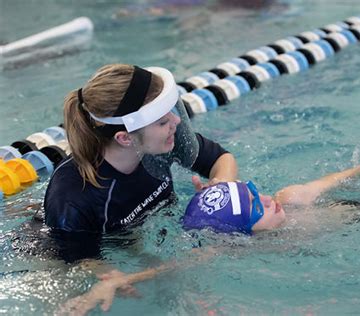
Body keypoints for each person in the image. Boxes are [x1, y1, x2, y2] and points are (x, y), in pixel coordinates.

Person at [60, 154, 360, 314]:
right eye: (255, 208)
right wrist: (116, 280)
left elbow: (342, 178)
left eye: (254, 192)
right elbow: (182, 266)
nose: (267, 200)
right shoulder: (239, 249)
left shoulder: (291, 199)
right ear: (239, 234)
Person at [43, 64, 238, 259]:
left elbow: (221, 159)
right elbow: (81, 263)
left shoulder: (161, 141)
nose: (176, 122)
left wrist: (220, 186)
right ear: (125, 138)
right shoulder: (73, 199)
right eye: (162, 122)